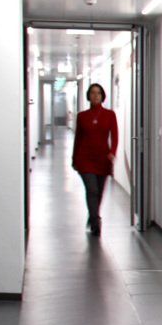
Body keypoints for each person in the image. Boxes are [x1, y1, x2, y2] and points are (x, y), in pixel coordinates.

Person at [72, 82, 119, 237]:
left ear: (102, 96)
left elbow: (115, 136)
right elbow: (78, 138)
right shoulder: (82, 116)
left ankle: (92, 215)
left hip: (103, 159)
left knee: (99, 192)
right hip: (85, 159)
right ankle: (95, 221)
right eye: (92, 93)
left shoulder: (110, 115)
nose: (96, 95)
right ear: (89, 96)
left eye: (98, 93)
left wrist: (112, 152)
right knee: (92, 190)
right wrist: (74, 158)